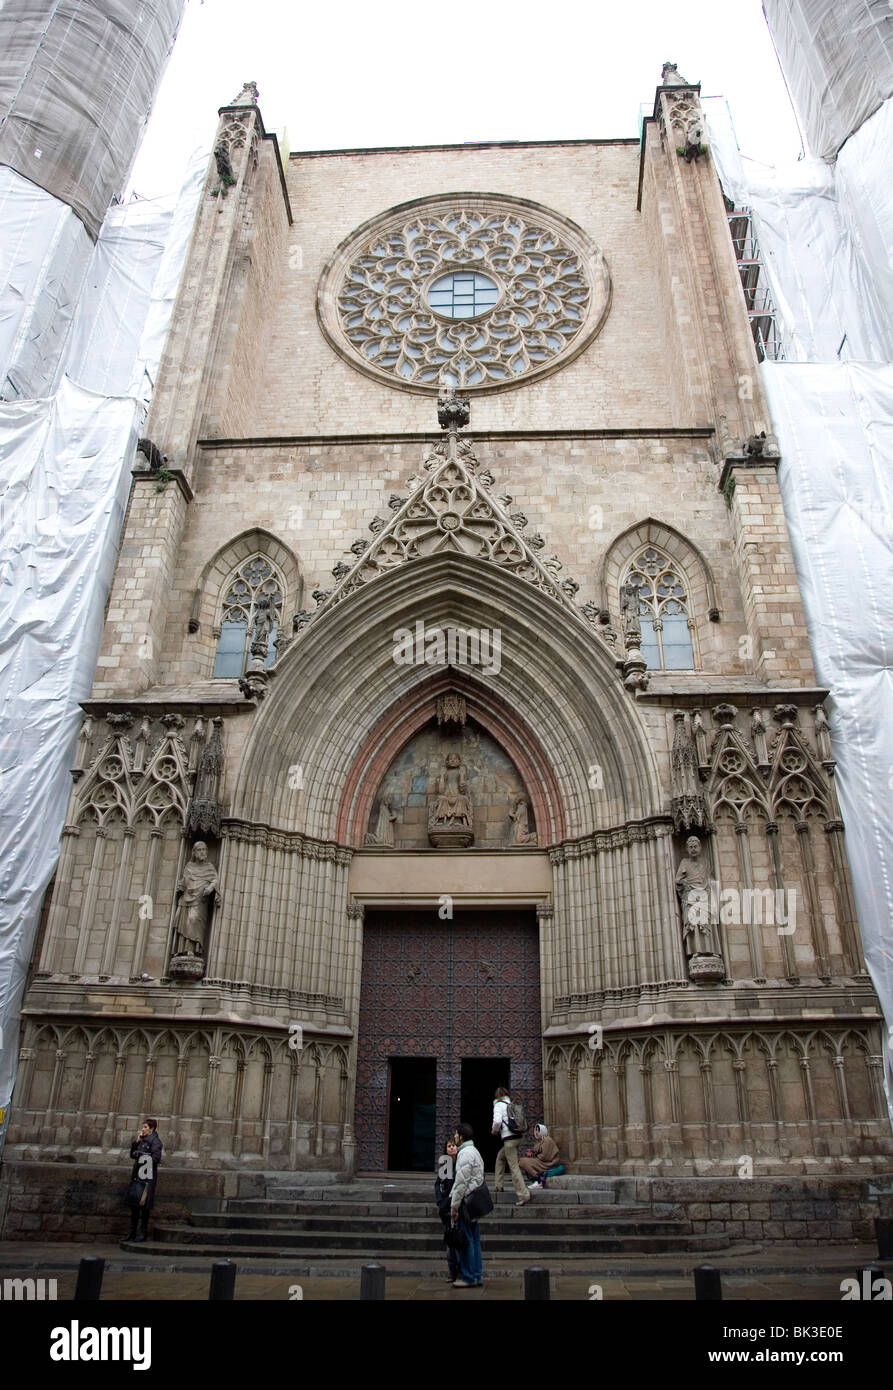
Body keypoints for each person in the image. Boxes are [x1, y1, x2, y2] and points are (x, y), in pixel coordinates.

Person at [449, 1122, 485, 1288]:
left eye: (456, 1134)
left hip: (466, 1202)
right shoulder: (475, 1152)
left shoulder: (464, 1154)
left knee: (467, 1240)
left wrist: (454, 1205)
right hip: (475, 1202)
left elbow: (461, 1183)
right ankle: (476, 1274)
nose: (454, 1137)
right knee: (475, 1240)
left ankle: (469, 1276)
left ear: (462, 1136)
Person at [125, 1118, 163, 1243]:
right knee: (134, 1205)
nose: (143, 1129)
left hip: (147, 1178)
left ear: (151, 1129)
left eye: (145, 1127)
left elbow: (156, 1158)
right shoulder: (142, 1140)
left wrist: (140, 1154)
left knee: (144, 1207)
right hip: (138, 1176)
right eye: (143, 1127)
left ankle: (143, 1232)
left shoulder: (155, 1142)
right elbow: (132, 1154)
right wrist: (136, 1142)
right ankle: (132, 1232)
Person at [492, 1086, 529, 1206]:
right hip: (518, 1137)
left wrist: (494, 1130)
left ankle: (523, 1195)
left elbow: (497, 1121)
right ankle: (498, 1185)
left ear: (497, 1096)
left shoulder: (498, 1105)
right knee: (500, 1157)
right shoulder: (510, 1104)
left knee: (513, 1167)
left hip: (509, 1140)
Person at [434, 1137, 460, 1282]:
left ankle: (461, 1270)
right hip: (446, 1208)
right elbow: (440, 1185)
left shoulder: (461, 1162)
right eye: (449, 1146)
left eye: (454, 1145)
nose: (451, 1148)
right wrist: (440, 1201)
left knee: (458, 1241)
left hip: (456, 1207)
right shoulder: (446, 1163)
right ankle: (452, 1271)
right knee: (450, 1241)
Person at [519, 1122, 560, 1187]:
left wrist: (535, 1156)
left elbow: (545, 1156)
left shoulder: (547, 1140)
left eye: (538, 1130)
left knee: (523, 1162)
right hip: (542, 1162)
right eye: (536, 1130)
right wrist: (531, 1154)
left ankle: (538, 1180)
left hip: (548, 1164)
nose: (536, 1132)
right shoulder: (540, 1141)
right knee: (522, 1161)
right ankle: (536, 1180)